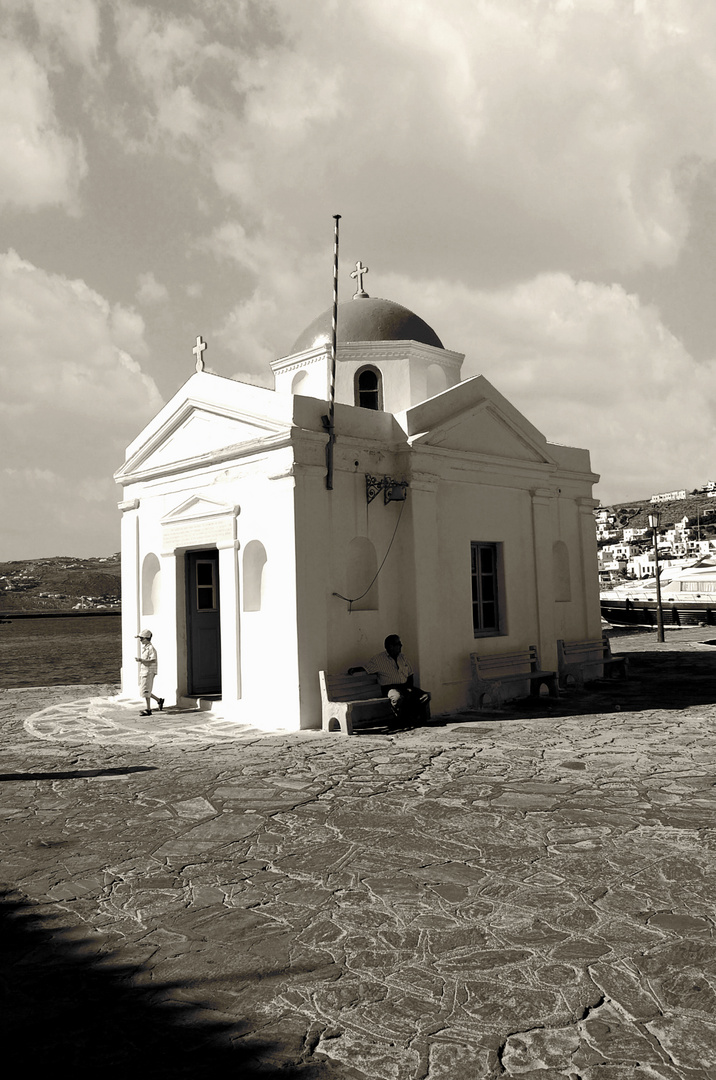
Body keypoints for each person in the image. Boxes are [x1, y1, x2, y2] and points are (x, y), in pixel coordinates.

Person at [366, 634, 430, 725]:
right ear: (391, 646)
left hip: (404, 686)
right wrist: (354, 670)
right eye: (398, 644)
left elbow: (410, 673)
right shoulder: (378, 659)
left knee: (425, 696)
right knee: (398, 697)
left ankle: (413, 717)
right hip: (389, 688)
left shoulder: (402, 657)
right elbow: (367, 669)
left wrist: (410, 687)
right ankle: (401, 719)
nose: (401, 646)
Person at [135, 629, 164, 716]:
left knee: (146, 690)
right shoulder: (146, 648)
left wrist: (141, 660)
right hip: (145, 671)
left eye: (141, 638)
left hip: (148, 671)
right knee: (145, 690)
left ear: (146, 638)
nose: (140, 640)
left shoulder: (151, 648)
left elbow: (152, 659)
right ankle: (159, 700)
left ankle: (148, 709)